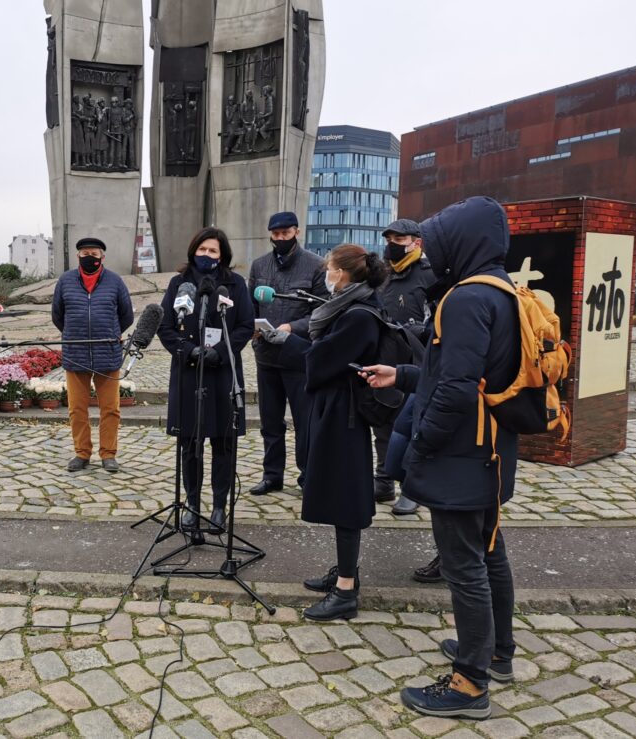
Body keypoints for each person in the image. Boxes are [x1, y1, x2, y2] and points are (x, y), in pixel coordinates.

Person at [365, 196, 520, 720]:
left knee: (464, 566)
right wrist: (402, 375)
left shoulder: (465, 299)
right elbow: (460, 373)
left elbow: (454, 389)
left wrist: (419, 446)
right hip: (492, 451)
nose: (432, 252)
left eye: (439, 240)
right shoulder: (503, 291)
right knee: (489, 553)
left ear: (463, 242)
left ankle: (470, 683)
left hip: (460, 455)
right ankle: (496, 651)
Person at [261, 244, 388, 621]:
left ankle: (346, 589)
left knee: (345, 499)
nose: (327, 273)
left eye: (331, 267)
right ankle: (344, 570)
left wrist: (287, 342)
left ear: (346, 273)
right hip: (334, 410)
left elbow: (323, 360)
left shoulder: (359, 315)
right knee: (336, 493)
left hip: (344, 415)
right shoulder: (348, 308)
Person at [158, 227, 255, 531]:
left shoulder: (235, 284)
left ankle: (218, 506)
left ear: (222, 255)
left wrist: (221, 353)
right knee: (191, 443)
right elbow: (166, 327)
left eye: (213, 251)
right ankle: (192, 503)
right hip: (189, 373)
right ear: (193, 251)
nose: (207, 255)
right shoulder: (179, 284)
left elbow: (245, 326)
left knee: (223, 444)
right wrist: (189, 351)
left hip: (223, 375)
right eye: (202, 249)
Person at [247, 211, 326, 496]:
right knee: (270, 422)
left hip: (299, 356)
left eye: (285, 233)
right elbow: (250, 306)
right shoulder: (259, 266)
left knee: (305, 422)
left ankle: (308, 475)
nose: (280, 238)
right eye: (275, 234)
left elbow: (322, 311)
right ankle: (272, 475)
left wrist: (293, 327)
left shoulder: (316, 266)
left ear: (296, 232)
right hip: (266, 356)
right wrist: (252, 329)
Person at [52, 237, 134, 473]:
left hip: (107, 354)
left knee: (110, 408)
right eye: (85, 253)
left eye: (94, 254)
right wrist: (73, 333)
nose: (89, 257)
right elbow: (58, 315)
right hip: (75, 354)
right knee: (77, 408)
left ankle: (108, 454)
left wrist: (112, 332)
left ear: (102, 257)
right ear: (78, 256)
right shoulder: (66, 281)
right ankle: (82, 453)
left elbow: (126, 315)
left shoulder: (115, 281)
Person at [375, 218, 434, 514]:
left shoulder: (429, 275)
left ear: (416, 243)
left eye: (399, 240)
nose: (392, 246)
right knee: (384, 423)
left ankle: (412, 487)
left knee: (412, 427)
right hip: (388, 358)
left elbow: (439, 318)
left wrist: (421, 329)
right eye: (390, 240)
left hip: (419, 361)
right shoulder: (384, 275)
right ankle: (383, 480)